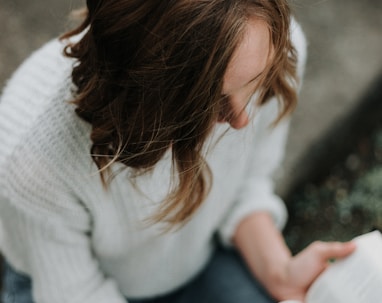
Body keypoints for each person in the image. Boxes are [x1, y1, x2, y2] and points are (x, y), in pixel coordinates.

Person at [0, 1, 355, 303]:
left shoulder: (275, 47)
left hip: (193, 261)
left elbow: (244, 185)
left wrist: (279, 272)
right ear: (147, 89)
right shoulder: (31, 161)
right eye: (207, 102)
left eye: (254, 83)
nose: (242, 119)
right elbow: (78, 293)